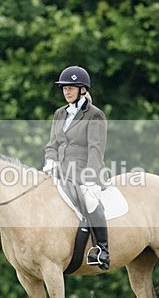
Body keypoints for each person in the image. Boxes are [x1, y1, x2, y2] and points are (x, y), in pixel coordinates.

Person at [43, 65, 110, 270]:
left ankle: (102, 250)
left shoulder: (94, 115)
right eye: (64, 88)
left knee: (89, 198)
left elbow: (96, 149)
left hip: (85, 172)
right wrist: (50, 162)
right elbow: (52, 144)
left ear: (83, 89)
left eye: (71, 88)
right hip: (59, 172)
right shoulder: (59, 113)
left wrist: (90, 175)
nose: (67, 91)